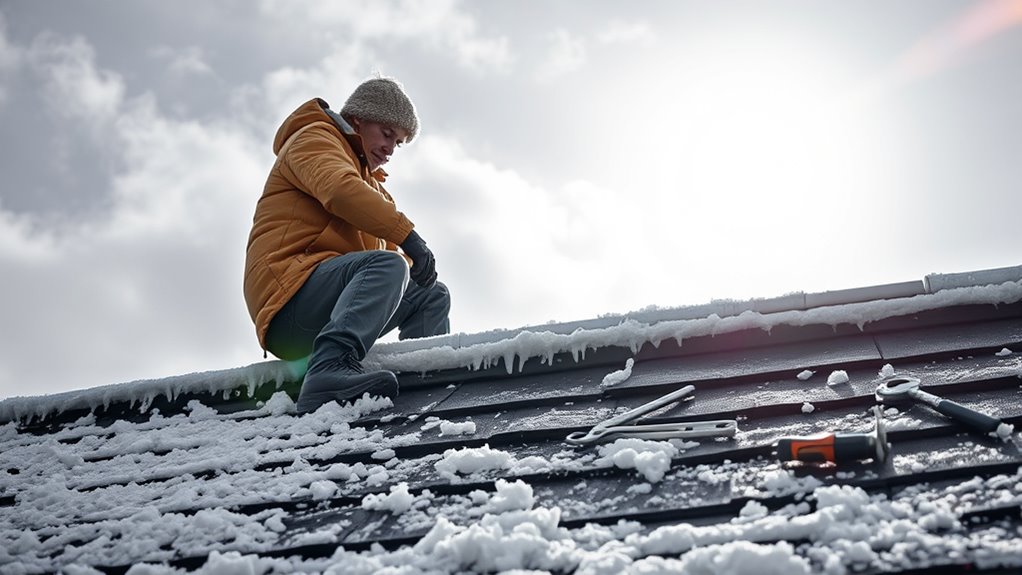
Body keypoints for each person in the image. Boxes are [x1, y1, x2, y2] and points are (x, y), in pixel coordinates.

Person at [243, 77, 451, 414]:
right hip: (288, 302)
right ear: (358, 119)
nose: (390, 149)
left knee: (430, 294)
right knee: (388, 264)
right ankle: (328, 372)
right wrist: (409, 238)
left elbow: (385, 276)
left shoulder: (371, 185)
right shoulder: (314, 140)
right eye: (386, 133)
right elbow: (340, 191)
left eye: (397, 143)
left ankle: (425, 382)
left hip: (327, 303)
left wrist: (416, 263)